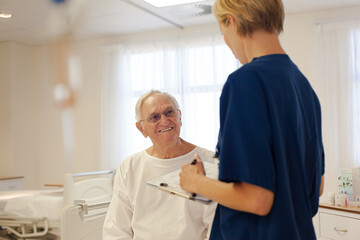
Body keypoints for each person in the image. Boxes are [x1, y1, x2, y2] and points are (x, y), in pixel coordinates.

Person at [179, 0, 325, 239]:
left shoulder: (246, 82)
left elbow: (257, 199)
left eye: (222, 31)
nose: (226, 41)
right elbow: (315, 187)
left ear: (232, 22)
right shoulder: (304, 88)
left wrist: (196, 183)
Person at [103, 90, 217, 240]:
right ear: (141, 128)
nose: (164, 121)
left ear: (179, 117)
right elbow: (116, 229)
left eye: (169, 112)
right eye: (154, 117)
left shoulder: (208, 161)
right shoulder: (130, 167)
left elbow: (216, 227)